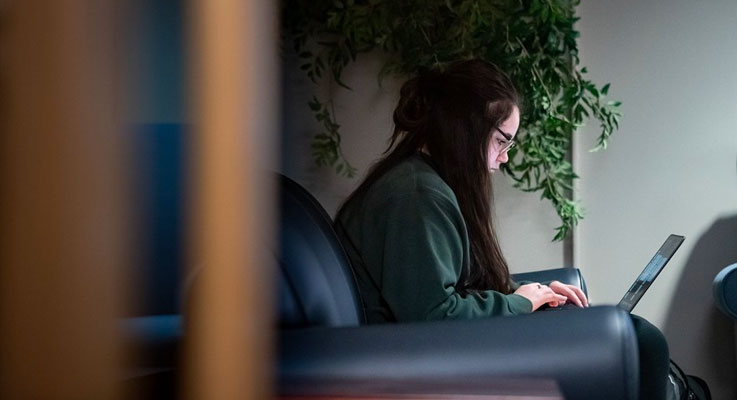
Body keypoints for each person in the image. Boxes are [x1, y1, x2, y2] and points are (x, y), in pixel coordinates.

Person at [333, 59, 670, 400]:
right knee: (642, 342)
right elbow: (433, 318)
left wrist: (535, 293)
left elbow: (459, 284)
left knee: (633, 337)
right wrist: (518, 304)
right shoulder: (416, 196)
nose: (505, 157)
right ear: (465, 130)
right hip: (419, 364)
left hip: (446, 353)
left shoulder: (427, 182)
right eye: (501, 141)